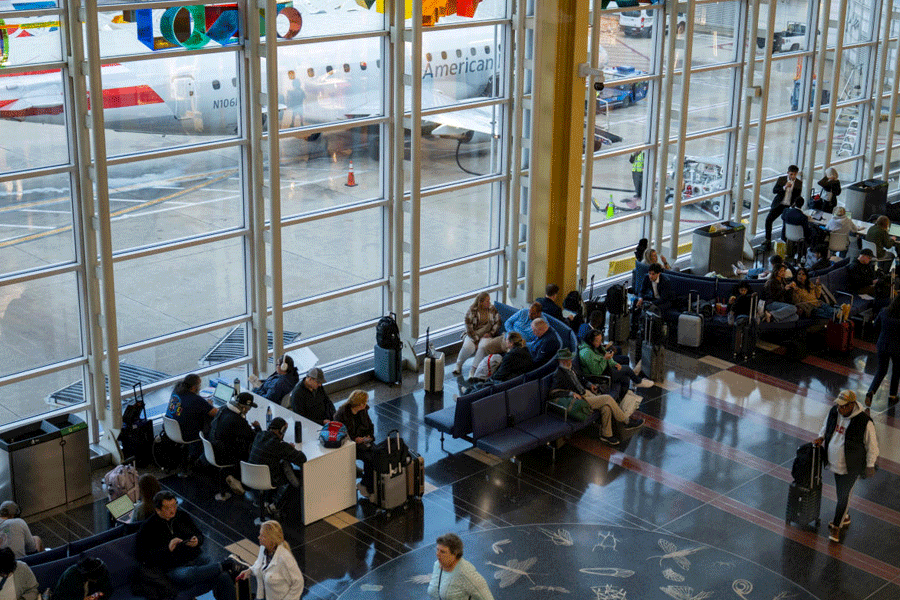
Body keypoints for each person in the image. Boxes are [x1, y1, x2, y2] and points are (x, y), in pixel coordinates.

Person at [135, 491, 238, 600]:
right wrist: (167, 549)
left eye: (174, 505)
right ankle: (224, 565)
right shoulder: (148, 528)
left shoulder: (182, 516)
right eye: (167, 508)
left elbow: (199, 535)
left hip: (195, 557)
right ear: (158, 510)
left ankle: (222, 567)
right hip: (172, 567)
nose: (172, 510)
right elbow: (144, 557)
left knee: (224, 577)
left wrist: (197, 541)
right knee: (188, 574)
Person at [814, 390, 878, 543]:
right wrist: (821, 437)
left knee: (844, 496)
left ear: (852, 405)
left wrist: (870, 464)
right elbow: (826, 425)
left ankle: (836, 527)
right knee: (841, 493)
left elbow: (872, 446)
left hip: (851, 466)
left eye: (843, 406)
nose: (840, 409)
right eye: (839, 405)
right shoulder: (834, 412)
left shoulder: (864, 421)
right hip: (835, 463)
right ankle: (845, 515)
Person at [550, 349, 642, 446]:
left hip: (586, 393)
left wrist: (590, 385)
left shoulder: (572, 368)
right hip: (581, 399)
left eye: (569, 359)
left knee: (606, 407)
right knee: (607, 398)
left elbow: (582, 379)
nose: (569, 361)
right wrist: (570, 393)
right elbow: (553, 393)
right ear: (561, 361)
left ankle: (606, 435)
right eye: (567, 360)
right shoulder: (558, 374)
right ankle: (626, 421)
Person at [248, 418, 308, 513]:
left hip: (250, 475)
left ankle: (266, 500)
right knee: (292, 477)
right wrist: (289, 448)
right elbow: (302, 458)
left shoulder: (259, 435)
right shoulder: (279, 445)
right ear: (281, 430)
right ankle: (276, 506)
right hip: (268, 479)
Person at [209, 392, 261, 498]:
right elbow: (254, 437)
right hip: (224, 455)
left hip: (213, 447)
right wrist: (258, 428)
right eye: (248, 408)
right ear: (243, 408)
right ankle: (240, 479)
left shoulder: (223, 409)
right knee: (251, 447)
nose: (249, 410)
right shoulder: (237, 420)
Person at [237, 521, 304, 600]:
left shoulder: (284, 558)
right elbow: (260, 565)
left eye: (262, 536)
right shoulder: (263, 548)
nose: (259, 537)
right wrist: (250, 570)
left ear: (272, 539)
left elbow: (298, 583)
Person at [332, 391, 375, 498]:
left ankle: (368, 483)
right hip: (349, 445)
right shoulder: (341, 415)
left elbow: (370, 426)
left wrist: (369, 436)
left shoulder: (363, 411)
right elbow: (340, 435)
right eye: (365, 402)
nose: (366, 404)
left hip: (362, 442)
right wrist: (355, 440)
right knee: (370, 458)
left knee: (376, 454)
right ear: (359, 404)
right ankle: (366, 485)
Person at [578, 329, 653, 390]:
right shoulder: (587, 353)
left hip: (606, 368)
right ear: (591, 341)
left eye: (601, 340)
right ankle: (638, 382)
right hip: (600, 376)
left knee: (625, 374)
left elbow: (605, 355)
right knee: (626, 369)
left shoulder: (595, 346)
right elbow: (596, 372)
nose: (600, 342)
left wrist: (614, 363)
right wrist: (605, 359)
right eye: (598, 341)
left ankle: (629, 388)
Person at [427, 533, 494, 600]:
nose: (437, 554)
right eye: (437, 549)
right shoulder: (437, 565)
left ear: (455, 553)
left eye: (443, 552)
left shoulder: (466, 573)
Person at [454, 292, 503, 378]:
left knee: (483, 347)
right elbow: (468, 326)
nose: (489, 303)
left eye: (489, 301)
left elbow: (497, 322)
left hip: (486, 335)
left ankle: (473, 370)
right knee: (468, 347)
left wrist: (491, 333)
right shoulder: (472, 310)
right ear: (481, 302)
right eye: (487, 301)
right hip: (473, 334)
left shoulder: (492, 309)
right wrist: (476, 340)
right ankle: (459, 364)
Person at [864, 295, 900, 407]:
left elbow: (875, 326)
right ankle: (892, 396)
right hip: (898, 348)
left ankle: (871, 391)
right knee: (896, 372)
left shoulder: (884, 311)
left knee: (881, 370)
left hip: (882, 345)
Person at [166, 374, 218, 444]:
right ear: (193, 388)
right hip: (186, 434)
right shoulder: (196, 400)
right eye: (199, 385)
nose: (200, 387)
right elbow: (216, 413)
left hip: (171, 430)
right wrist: (209, 405)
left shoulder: (176, 392)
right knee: (211, 418)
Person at [765, 165, 803, 247]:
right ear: (788, 173)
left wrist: (794, 206)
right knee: (768, 220)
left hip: (788, 206)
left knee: (785, 224)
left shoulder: (799, 183)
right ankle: (767, 240)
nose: (793, 176)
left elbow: (797, 196)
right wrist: (784, 187)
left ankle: (784, 242)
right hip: (779, 205)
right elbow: (774, 191)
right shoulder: (782, 179)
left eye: (794, 174)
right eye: (791, 174)